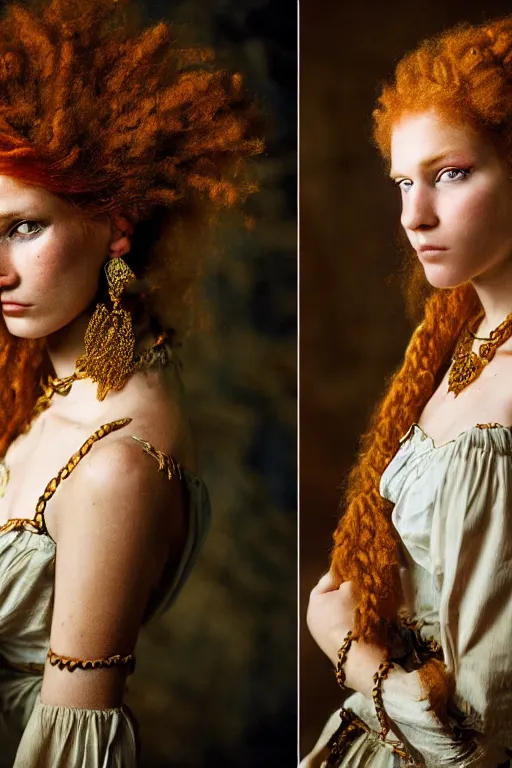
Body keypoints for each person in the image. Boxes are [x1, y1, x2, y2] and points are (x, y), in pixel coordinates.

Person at [0, 0, 262, 764]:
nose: (0, 268)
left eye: (24, 227)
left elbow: (74, 745)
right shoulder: (59, 379)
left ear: (116, 226)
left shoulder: (116, 465)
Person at [302, 15, 512, 768]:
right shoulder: (458, 340)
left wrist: (343, 646)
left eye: (450, 174)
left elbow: (481, 746)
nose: (413, 216)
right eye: (402, 182)